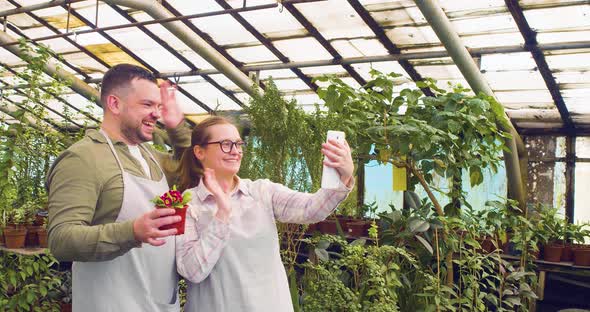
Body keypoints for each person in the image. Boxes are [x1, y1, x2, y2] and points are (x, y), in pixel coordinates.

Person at [46, 64, 190, 312]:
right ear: (114, 104)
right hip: (110, 303)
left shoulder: (150, 155)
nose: (156, 114)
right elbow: (61, 240)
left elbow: (194, 174)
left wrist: (177, 127)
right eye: (147, 105)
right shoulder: (83, 158)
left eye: (158, 106)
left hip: (158, 302)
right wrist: (132, 231)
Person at [175, 116, 355, 312]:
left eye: (238, 144)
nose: (235, 151)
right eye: (225, 144)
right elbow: (191, 271)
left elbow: (311, 209)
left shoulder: (262, 192)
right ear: (199, 151)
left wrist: (343, 176)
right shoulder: (186, 204)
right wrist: (222, 214)